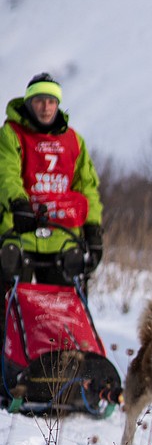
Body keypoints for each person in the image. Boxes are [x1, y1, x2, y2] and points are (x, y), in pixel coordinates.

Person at [0, 72, 103, 288]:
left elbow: (87, 189)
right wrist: (19, 202)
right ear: (29, 103)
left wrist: (93, 231)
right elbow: (6, 174)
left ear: (57, 105)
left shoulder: (74, 141)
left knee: (64, 317)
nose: (45, 108)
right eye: (39, 101)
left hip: (63, 240)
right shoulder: (11, 134)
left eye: (51, 102)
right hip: (18, 235)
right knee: (8, 312)